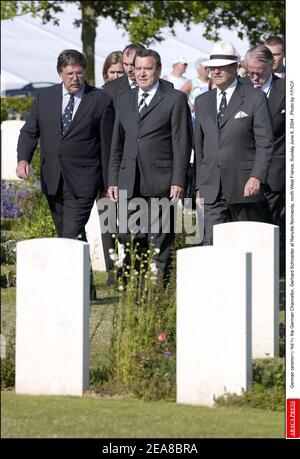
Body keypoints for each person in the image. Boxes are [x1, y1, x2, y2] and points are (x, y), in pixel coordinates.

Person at [16, 49, 115, 294]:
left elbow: (108, 145)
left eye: (79, 74)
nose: (75, 79)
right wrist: (23, 159)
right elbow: (30, 131)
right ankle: (86, 286)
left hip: (85, 180)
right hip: (53, 178)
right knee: (68, 234)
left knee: (70, 234)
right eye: (70, 73)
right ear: (60, 73)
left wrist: (108, 183)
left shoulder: (100, 100)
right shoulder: (45, 97)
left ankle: (68, 289)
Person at [107, 48, 192, 279]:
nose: (142, 73)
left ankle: (157, 291)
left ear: (159, 70)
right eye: (138, 68)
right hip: (128, 180)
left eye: (148, 68)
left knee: (161, 239)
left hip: (161, 181)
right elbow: (117, 143)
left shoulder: (175, 99)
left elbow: (181, 144)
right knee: (128, 235)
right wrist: (113, 179)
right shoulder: (124, 100)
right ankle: (138, 285)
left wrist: (178, 180)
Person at [194, 41, 274, 246]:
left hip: (244, 185)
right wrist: (199, 185)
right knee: (212, 245)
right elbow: (200, 148)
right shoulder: (202, 101)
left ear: (234, 68)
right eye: (213, 67)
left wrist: (256, 176)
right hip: (211, 187)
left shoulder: (255, 97)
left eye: (222, 66)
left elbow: (265, 143)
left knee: (246, 246)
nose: (216, 71)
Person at [245, 44, 285, 274]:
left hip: (276, 173)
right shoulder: (241, 88)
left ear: (272, 65)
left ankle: (277, 274)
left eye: (259, 71)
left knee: (275, 227)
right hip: (244, 171)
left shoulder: (286, 90)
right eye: (250, 71)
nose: (254, 76)